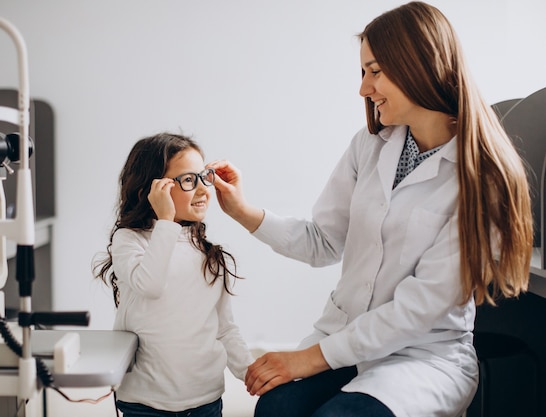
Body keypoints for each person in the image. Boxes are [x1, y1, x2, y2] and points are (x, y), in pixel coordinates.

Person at [208, 2, 533, 417]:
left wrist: (304, 359)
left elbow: (415, 311)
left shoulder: (482, 177)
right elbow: (323, 242)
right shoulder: (371, 144)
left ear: (420, 65)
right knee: (275, 411)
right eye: (364, 72)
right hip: (345, 335)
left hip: (420, 357)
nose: (364, 88)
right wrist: (241, 211)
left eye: (374, 71)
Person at [93, 132, 254, 417]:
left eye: (204, 176)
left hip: (205, 399)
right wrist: (165, 221)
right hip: (145, 402)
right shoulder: (130, 240)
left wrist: (251, 374)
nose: (204, 189)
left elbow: (225, 328)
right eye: (188, 180)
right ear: (153, 191)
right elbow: (150, 285)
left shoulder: (207, 254)